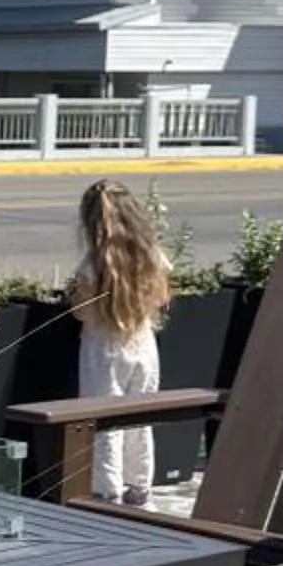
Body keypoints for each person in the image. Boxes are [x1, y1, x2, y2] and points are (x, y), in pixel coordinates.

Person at [69, 180, 169, 506]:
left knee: (102, 423)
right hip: (143, 344)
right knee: (140, 419)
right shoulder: (151, 255)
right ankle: (140, 490)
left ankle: (107, 492)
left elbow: (82, 312)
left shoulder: (93, 265)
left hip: (103, 348)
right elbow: (162, 296)